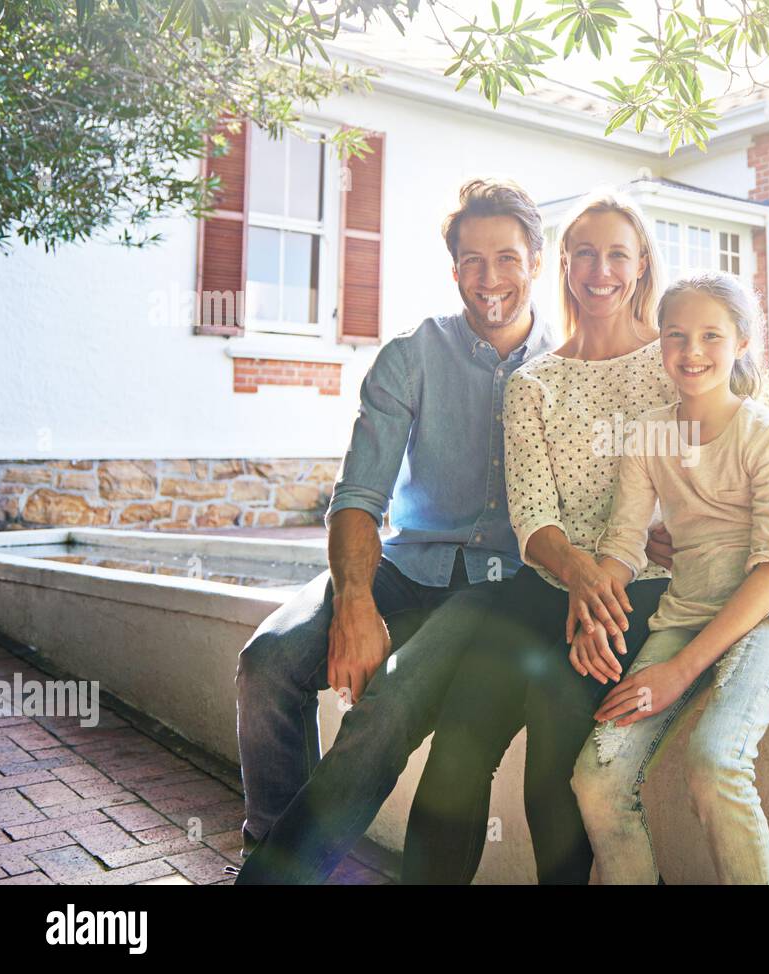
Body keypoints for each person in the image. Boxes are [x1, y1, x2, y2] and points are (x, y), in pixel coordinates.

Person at [399, 190, 769, 884]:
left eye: (617, 256)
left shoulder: (674, 362)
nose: (601, 270)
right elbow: (540, 517)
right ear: (563, 265)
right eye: (585, 254)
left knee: (564, 749)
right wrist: (587, 583)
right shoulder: (539, 383)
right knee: (463, 735)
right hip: (563, 581)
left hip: (653, 592)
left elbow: (758, 452)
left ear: (639, 268)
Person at [233, 178, 557, 883]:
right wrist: (354, 603)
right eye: (472, 260)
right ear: (454, 271)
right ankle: (272, 847)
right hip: (404, 568)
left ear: (536, 259)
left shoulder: (570, 370)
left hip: (497, 592)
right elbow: (357, 496)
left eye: (506, 257)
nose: (490, 278)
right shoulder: (410, 357)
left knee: (384, 713)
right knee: (267, 662)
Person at [570, 271, 769, 884]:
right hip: (683, 614)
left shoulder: (765, 435)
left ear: (741, 343)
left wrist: (679, 671)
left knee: (715, 760)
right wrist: (592, 614)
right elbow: (623, 546)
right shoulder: (649, 434)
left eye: (711, 335)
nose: (692, 351)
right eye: (676, 335)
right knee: (596, 780)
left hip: (766, 619)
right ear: (660, 343)